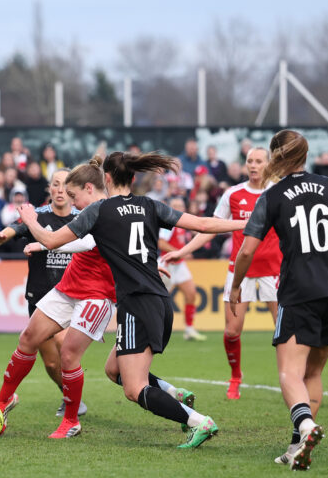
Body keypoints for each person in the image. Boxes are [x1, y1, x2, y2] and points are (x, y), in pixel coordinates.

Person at [20, 152, 245, 448]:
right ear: (134, 177)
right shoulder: (150, 205)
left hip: (137, 304)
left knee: (133, 387)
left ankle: (198, 421)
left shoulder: (99, 210)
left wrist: (29, 220)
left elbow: (50, 242)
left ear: (107, 179)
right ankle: (173, 394)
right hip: (159, 300)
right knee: (114, 370)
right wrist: (246, 224)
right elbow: (203, 225)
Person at [230, 129, 328, 471]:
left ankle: (307, 426)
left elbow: (246, 251)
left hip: (300, 292)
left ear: (274, 158)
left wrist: (236, 286)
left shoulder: (271, 197)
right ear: (306, 153)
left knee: (289, 372)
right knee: (313, 371)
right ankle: (298, 445)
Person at [166, 147, 282, 400]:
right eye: (249, 161)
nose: (253, 165)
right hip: (239, 271)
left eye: (258, 161)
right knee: (231, 331)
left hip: (274, 270)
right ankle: (235, 377)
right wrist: (183, 250)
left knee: (283, 331)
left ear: (268, 164)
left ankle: (289, 377)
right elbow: (209, 227)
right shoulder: (233, 194)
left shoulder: (278, 191)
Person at [0, 170, 82, 417]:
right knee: (51, 363)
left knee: (64, 343)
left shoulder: (82, 218)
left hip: (72, 298)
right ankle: (69, 395)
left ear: (73, 190)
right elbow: (13, 229)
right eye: (55, 185)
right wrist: (0, 238)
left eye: (65, 185)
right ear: (49, 189)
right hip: (40, 298)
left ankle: (72, 406)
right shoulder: (37, 215)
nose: (60, 190)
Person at [156, 197, 205, 342]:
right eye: (174, 205)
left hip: (179, 265)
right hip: (167, 264)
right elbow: (161, 243)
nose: (177, 207)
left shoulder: (182, 224)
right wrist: (180, 251)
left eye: (180, 205)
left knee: (191, 293)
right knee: (158, 300)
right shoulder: (168, 224)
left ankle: (189, 330)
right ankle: (153, 328)